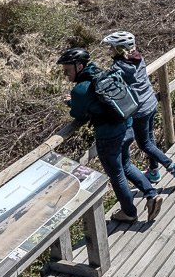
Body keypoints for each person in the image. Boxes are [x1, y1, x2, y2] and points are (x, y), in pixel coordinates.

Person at [57, 46, 163, 224]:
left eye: (67, 70)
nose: (65, 74)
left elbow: (78, 114)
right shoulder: (102, 73)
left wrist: (72, 103)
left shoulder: (80, 90)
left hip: (108, 136)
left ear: (79, 67)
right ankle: (151, 195)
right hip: (127, 126)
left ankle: (129, 213)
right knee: (126, 165)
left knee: (116, 175)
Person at [103, 30, 175, 186]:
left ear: (120, 48)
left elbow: (109, 85)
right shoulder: (138, 57)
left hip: (139, 110)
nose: (109, 50)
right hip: (150, 102)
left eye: (111, 47)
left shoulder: (118, 67)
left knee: (144, 144)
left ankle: (172, 166)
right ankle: (154, 171)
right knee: (150, 139)